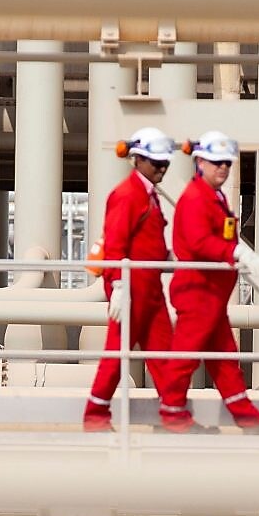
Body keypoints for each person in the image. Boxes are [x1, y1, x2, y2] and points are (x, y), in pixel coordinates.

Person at [157, 130, 259, 435]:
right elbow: (200, 242)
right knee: (185, 358)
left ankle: (248, 420)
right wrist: (237, 250)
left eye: (227, 163)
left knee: (225, 361)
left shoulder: (213, 197)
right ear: (199, 162)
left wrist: (234, 250)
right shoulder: (195, 199)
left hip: (212, 294)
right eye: (217, 162)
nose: (223, 168)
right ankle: (171, 418)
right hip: (198, 293)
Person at [83, 127, 178, 432]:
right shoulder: (127, 195)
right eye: (156, 162)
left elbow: (146, 241)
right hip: (131, 285)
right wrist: (120, 288)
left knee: (164, 352)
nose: (161, 168)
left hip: (149, 286)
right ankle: (95, 415)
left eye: (165, 163)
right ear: (137, 159)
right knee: (117, 352)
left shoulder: (147, 194)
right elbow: (116, 242)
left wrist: (171, 260)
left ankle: (173, 416)